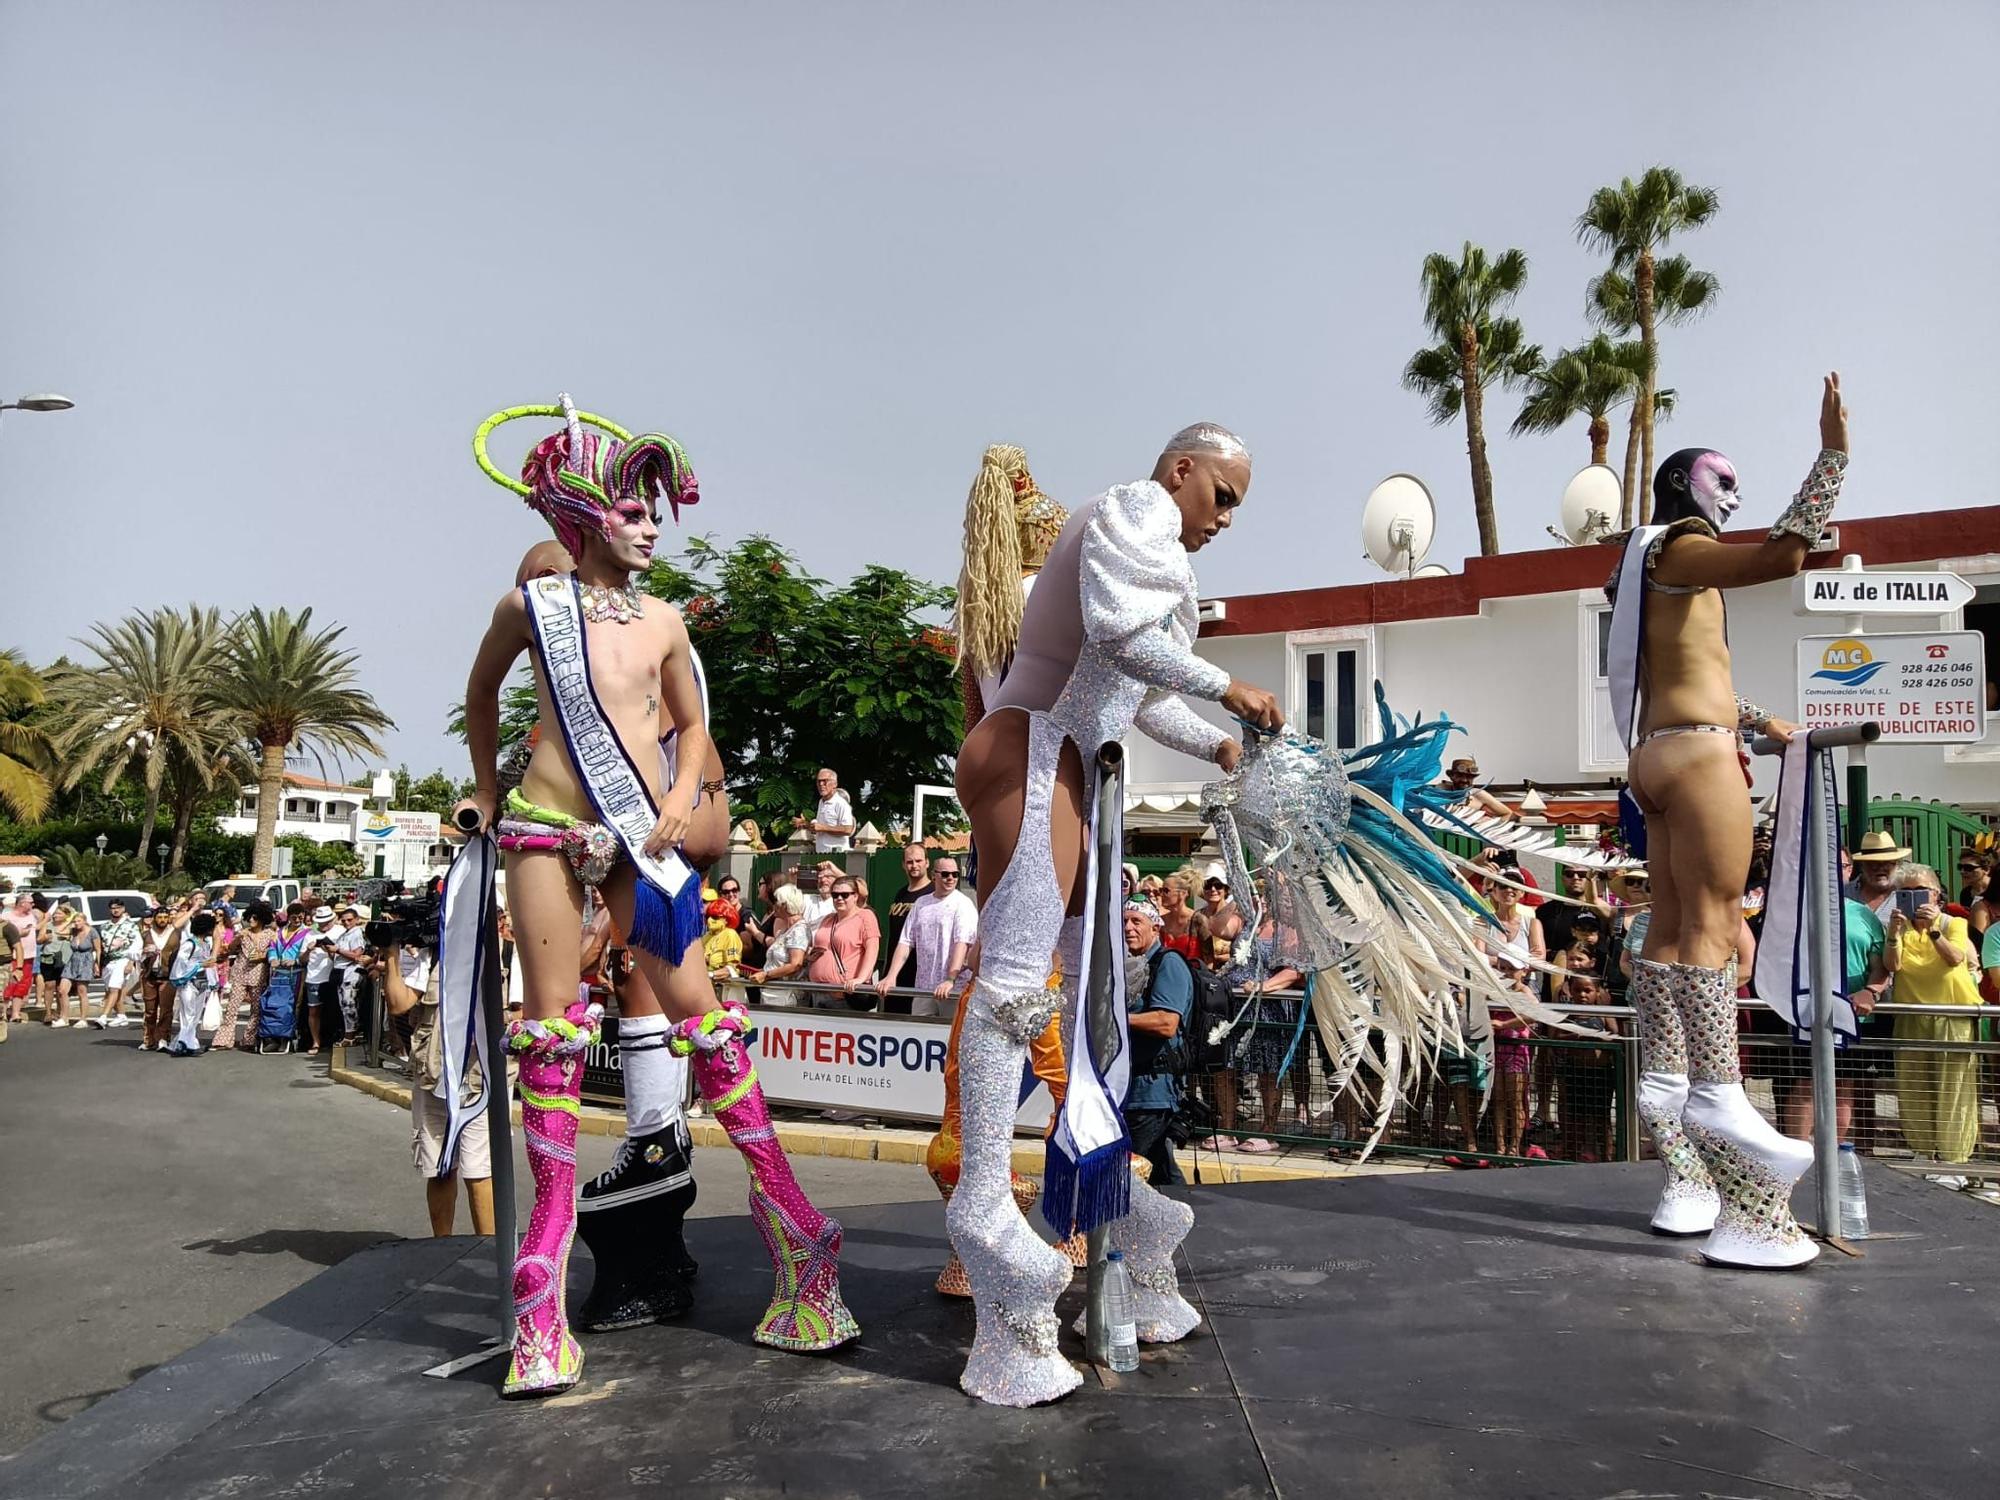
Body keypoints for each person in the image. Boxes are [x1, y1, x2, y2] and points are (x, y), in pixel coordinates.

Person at [458, 394, 853, 1396]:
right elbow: (481, 692)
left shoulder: (668, 619)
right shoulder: (530, 609)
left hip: (643, 838)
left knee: (703, 1022)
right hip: (546, 831)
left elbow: (689, 727)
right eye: (633, 510)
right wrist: (483, 783)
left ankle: (800, 1239)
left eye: (652, 511)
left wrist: (678, 799)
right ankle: (539, 1299)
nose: (649, 526)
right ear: (583, 513)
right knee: (551, 1034)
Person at [950, 421, 1281, 1404]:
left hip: (1073, 762)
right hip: (1034, 749)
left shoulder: (1150, 551)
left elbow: (1137, 693)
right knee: (1015, 988)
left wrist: (1218, 742)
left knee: (1085, 1001)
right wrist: (1231, 689)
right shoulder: (1134, 510)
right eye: (1220, 495)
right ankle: (983, 1210)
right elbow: (1120, 641)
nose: (1225, 518)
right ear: (1180, 471)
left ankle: (1118, 1213)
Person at [1605, 373, 1848, 1268]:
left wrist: (1760, 722)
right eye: (1721, 481)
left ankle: (1681, 1146)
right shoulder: (1678, 546)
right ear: (1684, 488)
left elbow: (1691, 670)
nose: (1731, 496)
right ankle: (1722, 1091)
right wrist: (1833, 459)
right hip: (1698, 760)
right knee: (1713, 929)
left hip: (1660, 751)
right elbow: (1785, 555)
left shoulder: (1646, 569)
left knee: (1670, 936)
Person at [380, 925, 496, 1237]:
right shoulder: (432, 957)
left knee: (479, 1172)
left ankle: (486, 1251)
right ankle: (440, 1248)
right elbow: (398, 1004)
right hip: (434, 1075)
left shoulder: (501, 954)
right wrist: (391, 953)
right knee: (439, 1169)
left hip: (478, 1078)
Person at [1884, 863, 1980, 1164]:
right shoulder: (1900, 926)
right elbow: (1893, 966)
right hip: (1912, 1015)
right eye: (1906, 892)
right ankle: (1922, 1153)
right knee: (1913, 1087)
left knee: (1955, 1091)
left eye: (1921, 891)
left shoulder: (1953, 923)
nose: (1915, 897)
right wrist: (1893, 933)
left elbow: (1955, 959)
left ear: (1936, 894)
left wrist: (1934, 931)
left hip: (1952, 1013)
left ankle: (1954, 1160)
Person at [1121, 898, 1194, 1186]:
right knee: (1159, 1169)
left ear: (1155, 926)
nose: (1128, 927)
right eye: (1124, 921)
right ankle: (1187, 1217)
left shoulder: (1168, 963)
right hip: (1132, 1087)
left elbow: (1166, 1022)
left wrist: (1116, 1018)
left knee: (1130, 1170)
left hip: (1153, 1090)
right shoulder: (1131, 966)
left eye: (1136, 921)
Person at [875, 855, 976, 1017]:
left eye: (954, 874)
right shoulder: (921, 903)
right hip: (923, 987)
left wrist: (950, 979)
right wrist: (891, 976)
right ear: (933, 875)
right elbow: (906, 941)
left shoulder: (963, 904)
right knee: (920, 1034)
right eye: (945, 874)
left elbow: (962, 943)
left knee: (950, 1035)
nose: (950, 878)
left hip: (953, 989)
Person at [1552, 967, 1620, 1162]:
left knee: (1601, 1118)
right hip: (1575, 1072)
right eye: (1578, 990)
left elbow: (1615, 1036)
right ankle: (1574, 1154)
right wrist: (1576, 1035)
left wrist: (1597, 1038)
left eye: (1587, 991)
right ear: (1570, 991)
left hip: (1600, 1074)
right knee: (1575, 1118)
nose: (1582, 995)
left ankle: (1607, 1156)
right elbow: (1557, 1036)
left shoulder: (1603, 1013)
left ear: (1597, 992)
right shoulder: (1569, 1013)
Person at [806, 874, 879, 1009]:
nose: (839, 898)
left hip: (843, 995)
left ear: (855, 896)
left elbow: (872, 949)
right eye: (835, 895)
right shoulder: (828, 919)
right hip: (818, 991)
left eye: (844, 895)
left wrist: (860, 979)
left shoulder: (865, 916)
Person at [211, 901, 276, 1053]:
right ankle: (224, 1040)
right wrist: (237, 938)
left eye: (255, 917)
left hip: (259, 974)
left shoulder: (270, 935)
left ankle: (250, 1039)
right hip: (240, 973)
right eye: (250, 917)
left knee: (256, 1009)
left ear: (262, 918)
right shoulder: (243, 933)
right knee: (232, 1008)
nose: (251, 920)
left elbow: (275, 951)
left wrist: (264, 956)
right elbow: (230, 949)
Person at [879, 844, 934, 1006]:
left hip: (919, 974)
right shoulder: (901, 893)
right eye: (910, 862)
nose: (914, 865)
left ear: (927, 863)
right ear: (903, 865)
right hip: (895, 973)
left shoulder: (932, 894)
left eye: (918, 860)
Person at [743, 884, 810, 1005]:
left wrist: (766, 975)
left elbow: (796, 964)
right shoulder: (787, 929)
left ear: (784, 905)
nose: (773, 905)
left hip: (785, 996)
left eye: (776, 902)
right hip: (773, 993)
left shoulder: (799, 930)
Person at [166, 909, 218, 1056]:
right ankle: (186, 1044)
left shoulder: (205, 944)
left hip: (202, 983)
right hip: (188, 983)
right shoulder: (189, 944)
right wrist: (200, 965)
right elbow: (181, 964)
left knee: (195, 1016)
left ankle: (186, 1043)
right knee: (187, 1014)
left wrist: (212, 980)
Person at [56, 905, 103, 1028]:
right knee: (62, 990)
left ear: (84, 921)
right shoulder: (74, 931)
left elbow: (98, 949)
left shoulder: (92, 931)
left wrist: (97, 964)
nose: (76, 923)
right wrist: (69, 921)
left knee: (82, 991)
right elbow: (59, 931)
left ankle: (83, 1019)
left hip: (86, 961)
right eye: (75, 921)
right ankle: (64, 1017)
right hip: (72, 961)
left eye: (79, 921)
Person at [1846, 831, 1906, 920]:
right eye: (1873, 863)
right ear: (1862, 865)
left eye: (1887, 863)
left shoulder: (1907, 893)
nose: (1880, 868)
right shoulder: (1845, 894)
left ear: (1897, 864)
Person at [793, 768, 854, 852]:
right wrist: (805, 824)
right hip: (821, 853)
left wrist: (823, 828)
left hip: (837, 855)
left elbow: (848, 830)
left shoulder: (841, 803)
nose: (821, 784)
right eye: (819, 781)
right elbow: (819, 828)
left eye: (825, 781)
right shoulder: (821, 802)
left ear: (835, 784)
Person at [1156, 865, 1209, 963]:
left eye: (1166, 891)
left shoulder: (1198, 920)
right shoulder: (1161, 921)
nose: (1161, 894)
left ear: (1183, 894)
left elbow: (1209, 960)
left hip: (1193, 976)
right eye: (1160, 890)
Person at [332, 906, 368, 1044]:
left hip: (351, 971)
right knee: (345, 1004)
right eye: (344, 920)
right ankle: (350, 1034)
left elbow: (356, 955)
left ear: (357, 920)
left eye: (350, 920)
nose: (346, 923)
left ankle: (350, 1036)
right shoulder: (344, 934)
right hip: (341, 971)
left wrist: (338, 950)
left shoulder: (356, 933)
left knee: (349, 1004)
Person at [1441, 755, 1513, 819]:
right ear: (1452, 776)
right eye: (1460, 776)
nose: (1464, 780)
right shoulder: (1441, 792)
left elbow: (1507, 814)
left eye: (1469, 777)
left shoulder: (1478, 794)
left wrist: (1487, 824)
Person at [3, 891, 37, 1025]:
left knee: (23, 984)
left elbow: (40, 920)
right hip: (13, 955)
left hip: (29, 955)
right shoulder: (7, 917)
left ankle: (15, 1013)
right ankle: (3, 1013)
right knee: (9, 983)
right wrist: (20, 933)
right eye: (30, 902)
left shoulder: (31, 916)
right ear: (22, 903)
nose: (33, 904)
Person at [1199, 871, 1244, 971]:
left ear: (1226, 890)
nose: (1213, 889)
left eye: (1218, 885)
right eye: (1207, 885)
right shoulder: (1197, 916)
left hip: (1232, 971)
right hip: (1203, 972)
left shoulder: (1237, 916)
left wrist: (1221, 958)